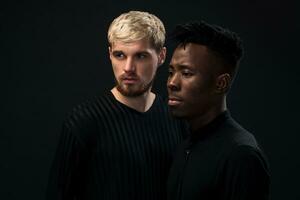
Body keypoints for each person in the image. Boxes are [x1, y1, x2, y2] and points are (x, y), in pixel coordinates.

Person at [46, 11, 185, 200]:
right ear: (110, 54)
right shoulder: (83, 121)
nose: (128, 68)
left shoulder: (177, 117)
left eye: (141, 56)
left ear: (161, 56)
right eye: (120, 55)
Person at [167, 21, 270, 200]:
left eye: (186, 73)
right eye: (171, 72)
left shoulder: (241, 155)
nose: (172, 83)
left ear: (221, 83)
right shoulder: (184, 145)